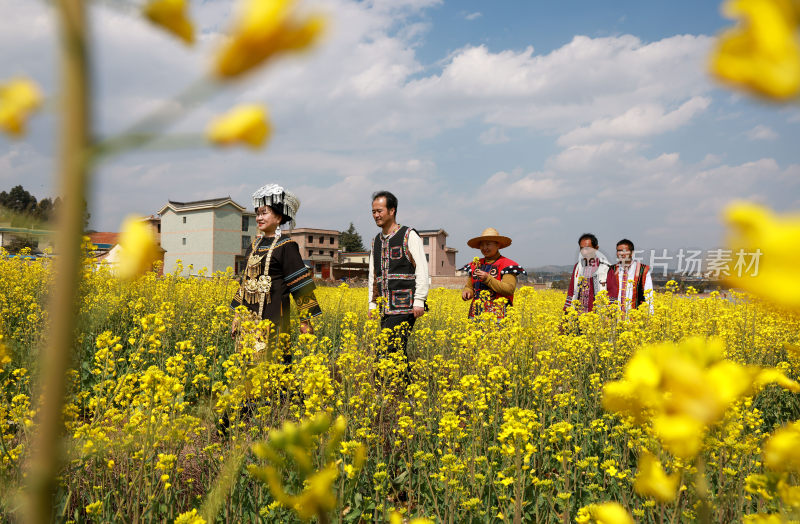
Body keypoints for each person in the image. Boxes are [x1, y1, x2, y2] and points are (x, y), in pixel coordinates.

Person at [230, 184, 321, 362]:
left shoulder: (287, 246)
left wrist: (305, 322)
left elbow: (300, 285)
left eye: (264, 213)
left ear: (278, 217)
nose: (259, 218)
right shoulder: (253, 246)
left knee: (274, 365)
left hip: (274, 317)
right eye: (257, 213)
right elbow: (245, 283)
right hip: (249, 318)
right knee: (247, 367)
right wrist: (236, 317)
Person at [368, 190, 428, 356]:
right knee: (395, 352)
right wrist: (372, 304)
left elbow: (422, 269)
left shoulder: (409, 235)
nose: (376, 215)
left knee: (386, 350)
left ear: (392, 210)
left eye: (379, 211)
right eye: (373, 212)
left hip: (405, 306)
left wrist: (419, 300)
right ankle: (404, 382)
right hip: (385, 307)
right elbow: (373, 275)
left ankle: (389, 381)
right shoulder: (376, 242)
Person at [461, 228, 526, 319]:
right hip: (475, 315)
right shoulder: (475, 264)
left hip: (499, 317)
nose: (484, 248)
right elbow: (469, 286)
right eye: (482, 245)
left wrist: (487, 278)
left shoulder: (507, 265)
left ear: (498, 245)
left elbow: (509, 289)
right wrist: (467, 292)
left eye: (488, 244)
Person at [563, 233, 612, 313]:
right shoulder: (578, 266)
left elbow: (612, 293)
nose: (584, 252)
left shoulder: (606, 267)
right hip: (579, 316)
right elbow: (571, 291)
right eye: (582, 249)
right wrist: (566, 314)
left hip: (598, 317)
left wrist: (609, 315)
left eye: (588, 249)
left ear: (596, 248)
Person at [606, 238, 654, 317]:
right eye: (619, 251)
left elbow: (649, 295)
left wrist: (650, 316)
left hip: (636, 318)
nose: (621, 253)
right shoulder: (612, 270)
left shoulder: (643, 270)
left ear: (632, 253)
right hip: (615, 319)